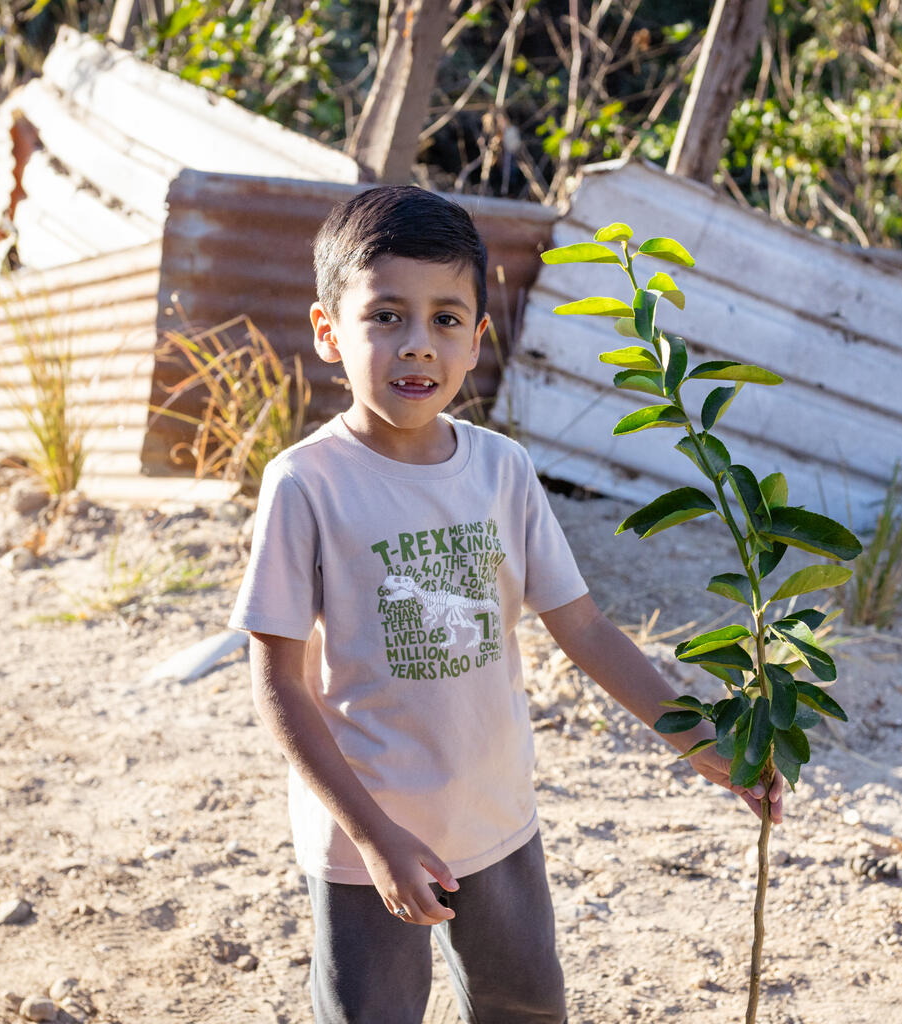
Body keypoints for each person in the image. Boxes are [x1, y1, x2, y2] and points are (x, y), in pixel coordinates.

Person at [229, 185, 783, 1024]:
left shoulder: (502, 470)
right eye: (386, 316)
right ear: (328, 331)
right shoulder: (306, 484)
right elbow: (278, 684)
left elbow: (583, 627)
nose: (418, 343)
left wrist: (701, 742)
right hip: (366, 839)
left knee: (526, 1007)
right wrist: (374, 838)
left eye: (446, 318)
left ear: (478, 339)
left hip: (496, 819)